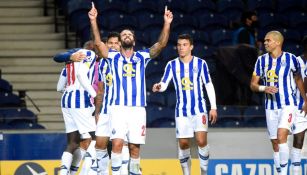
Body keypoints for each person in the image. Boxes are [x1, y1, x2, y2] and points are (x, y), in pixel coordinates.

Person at [88, 2, 173, 174]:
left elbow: (161, 44)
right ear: (120, 41)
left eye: (129, 34)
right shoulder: (111, 56)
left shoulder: (142, 56)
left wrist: (167, 23)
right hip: (117, 108)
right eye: (123, 34)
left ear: (134, 40)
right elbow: (98, 43)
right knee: (118, 143)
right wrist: (93, 20)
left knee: (135, 149)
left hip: (138, 110)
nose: (126, 35)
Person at [152, 34, 217, 175]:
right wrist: (159, 86)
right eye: (179, 45)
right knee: (183, 143)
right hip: (181, 111)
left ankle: (204, 172)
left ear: (191, 47)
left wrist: (213, 107)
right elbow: (164, 83)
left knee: (201, 140)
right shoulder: (171, 64)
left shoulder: (201, 63)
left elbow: (208, 84)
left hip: (199, 109)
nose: (181, 48)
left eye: (184, 44)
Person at [250, 31, 307, 175]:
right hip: (270, 107)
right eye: (265, 40)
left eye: (268, 40)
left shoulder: (291, 59)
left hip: (288, 105)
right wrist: (264, 88)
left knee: (282, 136)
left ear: (277, 42)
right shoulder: (261, 60)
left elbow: (298, 79)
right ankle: (279, 172)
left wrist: (305, 99)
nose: (265, 43)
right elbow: (253, 85)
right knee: (275, 143)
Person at [56, 48, 97, 175]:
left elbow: (59, 88)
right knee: (97, 137)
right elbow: (81, 75)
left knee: (73, 142)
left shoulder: (68, 63)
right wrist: (93, 94)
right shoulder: (90, 54)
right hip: (80, 99)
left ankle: (64, 172)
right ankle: (87, 172)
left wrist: (70, 90)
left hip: (66, 100)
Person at [291, 35, 307, 175]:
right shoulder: (297, 61)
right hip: (300, 106)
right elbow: (299, 83)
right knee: (298, 140)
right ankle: (296, 172)